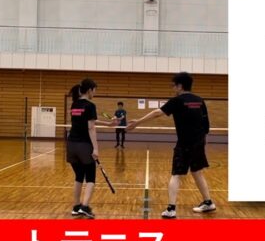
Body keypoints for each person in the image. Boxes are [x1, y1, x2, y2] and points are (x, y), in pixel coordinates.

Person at [127, 72, 216, 219]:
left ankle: (171, 209)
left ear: (180, 86)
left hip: (185, 143)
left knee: (176, 174)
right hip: (199, 142)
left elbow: (157, 113)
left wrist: (137, 122)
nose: (173, 88)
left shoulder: (177, 101)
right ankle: (208, 202)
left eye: (173, 85)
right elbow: (206, 125)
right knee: (197, 172)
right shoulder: (200, 101)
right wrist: (201, 143)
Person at [67, 79, 117, 219]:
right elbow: (91, 127)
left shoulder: (74, 104)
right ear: (90, 90)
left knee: (78, 177)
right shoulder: (90, 105)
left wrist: (108, 124)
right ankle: (85, 207)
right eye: (94, 90)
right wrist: (95, 148)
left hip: (71, 145)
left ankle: (76, 207)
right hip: (84, 145)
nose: (95, 93)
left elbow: (88, 120)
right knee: (90, 178)